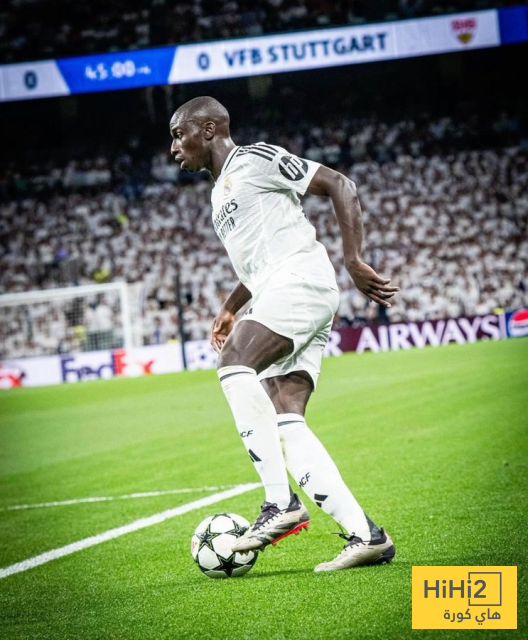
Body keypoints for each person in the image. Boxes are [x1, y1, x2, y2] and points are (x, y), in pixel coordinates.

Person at [169, 96, 399, 571]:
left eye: (178, 134)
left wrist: (353, 259)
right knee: (285, 418)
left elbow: (339, 183)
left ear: (208, 130)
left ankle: (280, 502)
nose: (173, 147)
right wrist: (230, 307)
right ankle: (367, 535)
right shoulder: (218, 194)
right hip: (280, 289)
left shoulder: (253, 159)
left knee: (233, 363)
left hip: (300, 282)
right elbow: (257, 264)